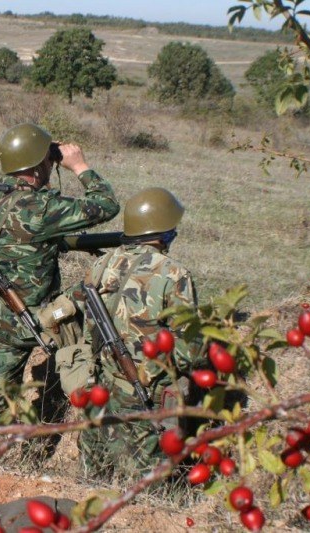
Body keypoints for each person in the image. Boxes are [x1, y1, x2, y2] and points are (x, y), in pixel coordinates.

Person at [0, 123, 120, 428]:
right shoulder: (42, 208)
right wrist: (79, 166)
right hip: (37, 321)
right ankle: (92, 426)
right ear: (38, 165)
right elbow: (107, 204)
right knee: (89, 345)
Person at [71, 187, 203, 478]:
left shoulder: (101, 263)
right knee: (147, 483)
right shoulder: (173, 273)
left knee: (92, 472)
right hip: (143, 388)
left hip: (100, 383)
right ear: (163, 230)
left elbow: (88, 325)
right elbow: (190, 349)